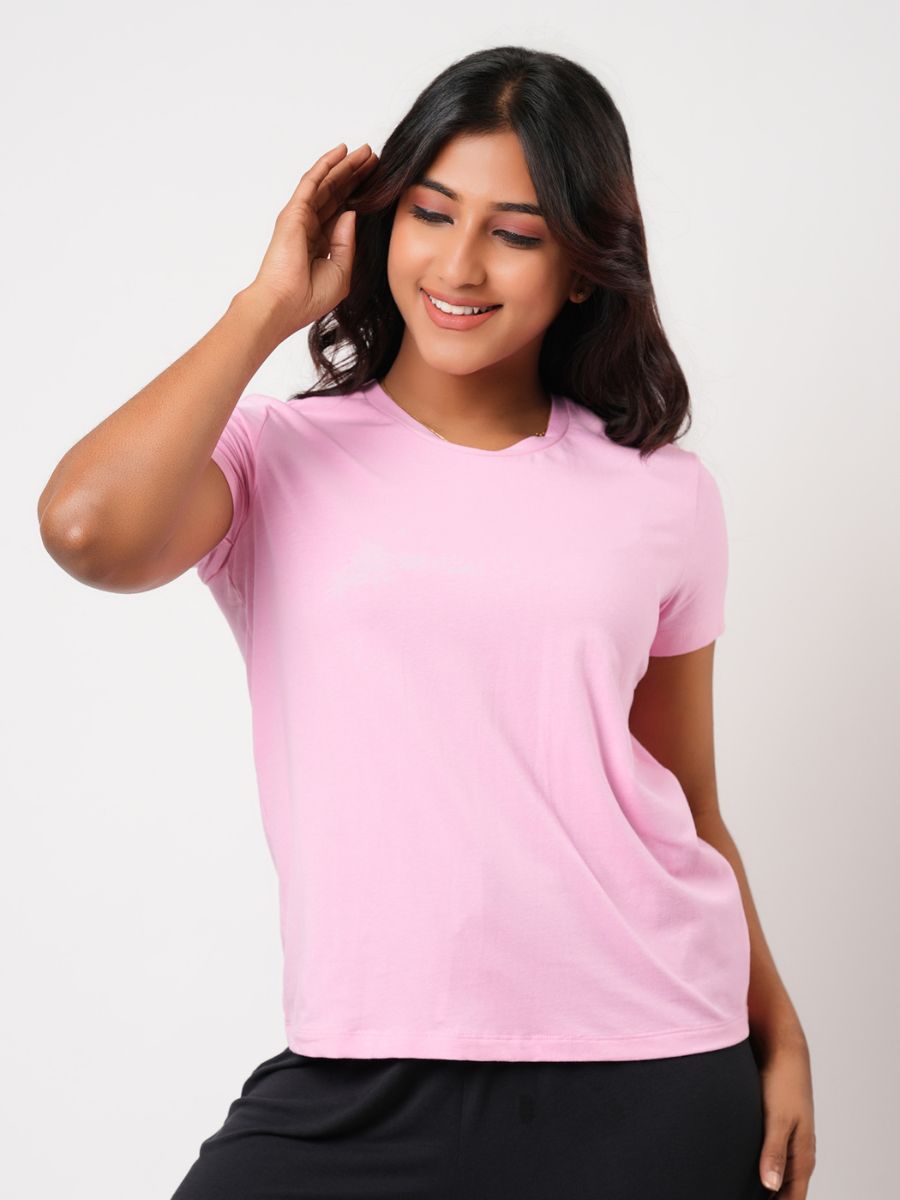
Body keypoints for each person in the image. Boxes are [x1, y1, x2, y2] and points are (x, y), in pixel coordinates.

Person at [37, 45, 816, 1200]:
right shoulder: (270, 459)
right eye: (431, 213)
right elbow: (86, 529)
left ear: (585, 264)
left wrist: (782, 1033)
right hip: (361, 1074)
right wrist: (262, 312)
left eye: (516, 229)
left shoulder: (662, 495)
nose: (459, 263)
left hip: (650, 1065)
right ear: (381, 223)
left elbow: (689, 802)